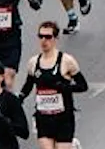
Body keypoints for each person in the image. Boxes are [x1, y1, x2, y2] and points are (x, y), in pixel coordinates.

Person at [19, 20, 88, 149]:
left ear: (56, 38)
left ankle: (72, 144)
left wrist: (64, 87)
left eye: (48, 37)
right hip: (43, 118)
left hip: (63, 118)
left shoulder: (67, 61)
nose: (44, 40)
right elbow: (28, 85)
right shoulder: (34, 62)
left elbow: (83, 86)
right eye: (41, 36)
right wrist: (20, 98)